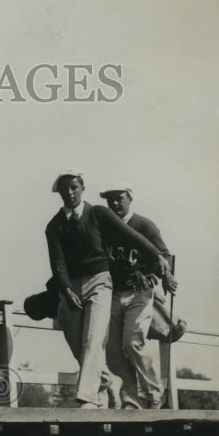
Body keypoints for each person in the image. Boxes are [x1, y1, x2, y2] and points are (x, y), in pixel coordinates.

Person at [45, 171, 171, 409]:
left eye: (74, 187)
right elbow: (58, 262)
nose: (70, 193)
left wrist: (157, 257)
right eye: (65, 190)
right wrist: (66, 289)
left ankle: (88, 397)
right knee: (76, 337)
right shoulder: (54, 226)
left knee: (95, 338)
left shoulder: (98, 213)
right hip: (73, 285)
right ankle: (103, 378)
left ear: (82, 187)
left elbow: (131, 236)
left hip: (102, 282)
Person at [99, 183, 178, 409]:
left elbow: (164, 255)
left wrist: (164, 277)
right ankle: (131, 400)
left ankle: (154, 393)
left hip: (139, 292)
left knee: (133, 343)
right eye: (110, 199)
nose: (115, 203)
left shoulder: (144, 224)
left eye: (119, 198)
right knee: (113, 349)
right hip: (113, 292)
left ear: (129, 198)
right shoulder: (106, 227)